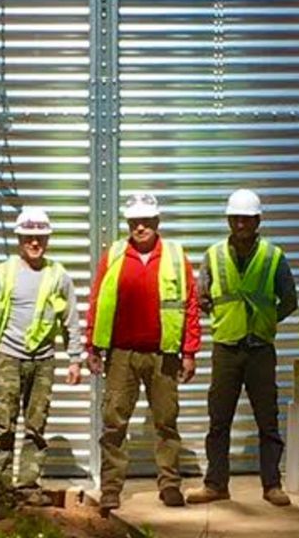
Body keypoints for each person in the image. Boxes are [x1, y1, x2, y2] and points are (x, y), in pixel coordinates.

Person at [85, 191, 201, 513]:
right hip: (121, 354)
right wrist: (91, 345)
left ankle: (170, 485)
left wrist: (189, 351)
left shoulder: (176, 256)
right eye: (134, 222)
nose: (140, 228)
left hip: (164, 354)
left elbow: (191, 304)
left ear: (157, 222)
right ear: (128, 224)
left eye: (146, 222)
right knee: (114, 423)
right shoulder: (115, 255)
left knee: (166, 422)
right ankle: (111, 489)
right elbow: (97, 300)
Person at [0, 206, 81, 516]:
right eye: (29, 237)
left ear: (47, 239)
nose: (35, 242)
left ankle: (29, 488)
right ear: (20, 238)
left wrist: (75, 359)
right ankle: (2, 499)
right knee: (4, 428)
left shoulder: (58, 275)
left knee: (36, 427)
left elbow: (71, 320)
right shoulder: (3, 273)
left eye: (40, 237)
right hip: (8, 359)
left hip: (43, 361)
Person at [188, 188, 297, 507]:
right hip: (226, 347)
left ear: (257, 220)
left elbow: (289, 299)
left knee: (268, 420)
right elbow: (203, 297)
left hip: (261, 348)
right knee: (219, 419)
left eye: (246, 219)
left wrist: (265, 320)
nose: (240, 224)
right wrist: (227, 317)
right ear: (228, 220)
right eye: (235, 218)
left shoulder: (273, 256)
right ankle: (215, 484)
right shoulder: (213, 254)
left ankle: (271, 485)